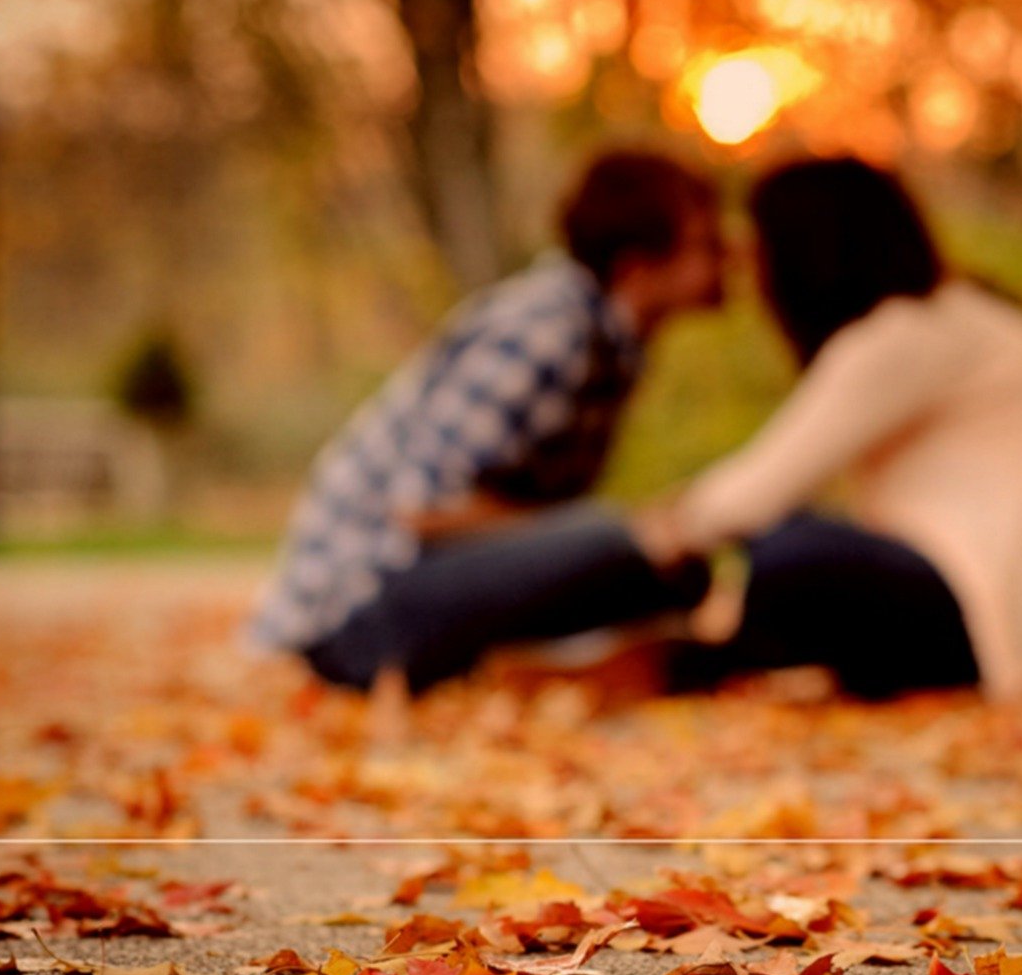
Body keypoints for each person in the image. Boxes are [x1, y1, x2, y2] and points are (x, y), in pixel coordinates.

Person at [638, 156, 1022, 700]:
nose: (757, 282)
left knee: (789, 555)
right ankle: (750, 649)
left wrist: (653, 536)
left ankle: (700, 656)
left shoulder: (903, 333)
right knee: (792, 550)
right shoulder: (957, 316)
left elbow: (756, 493)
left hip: (1020, 623)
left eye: (761, 255)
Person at [249, 148, 726, 693]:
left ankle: (548, 670)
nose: (726, 261)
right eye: (706, 246)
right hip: (358, 613)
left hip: (416, 592)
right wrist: (606, 528)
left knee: (678, 567)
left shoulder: (617, 346)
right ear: (636, 265)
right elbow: (421, 509)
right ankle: (551, 668)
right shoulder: (549, 329)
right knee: (628, 541)